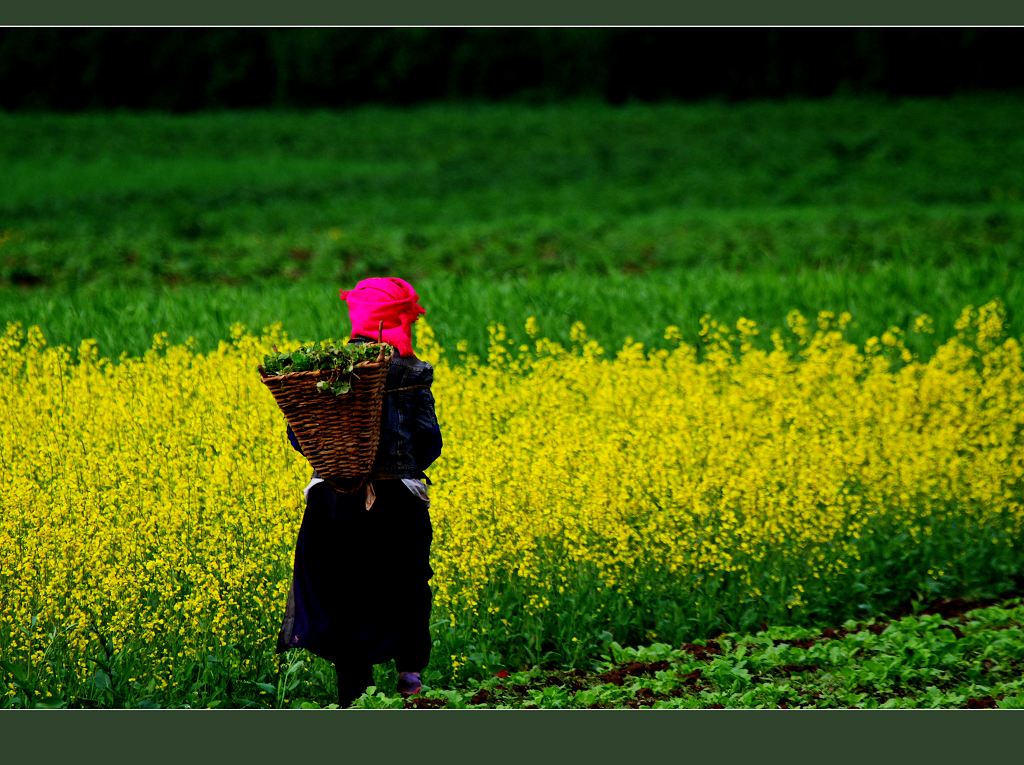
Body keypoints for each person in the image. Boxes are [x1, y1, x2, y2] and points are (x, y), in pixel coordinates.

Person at [276, 276, 443, 708]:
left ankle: (354, 698)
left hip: (331, 503)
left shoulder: (324, 370)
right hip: (397, 502)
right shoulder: (411, 372)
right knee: (406, 585)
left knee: (342, 593)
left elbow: (302, 438)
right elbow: (429, 444)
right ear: (403, 318)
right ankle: (409, 681)